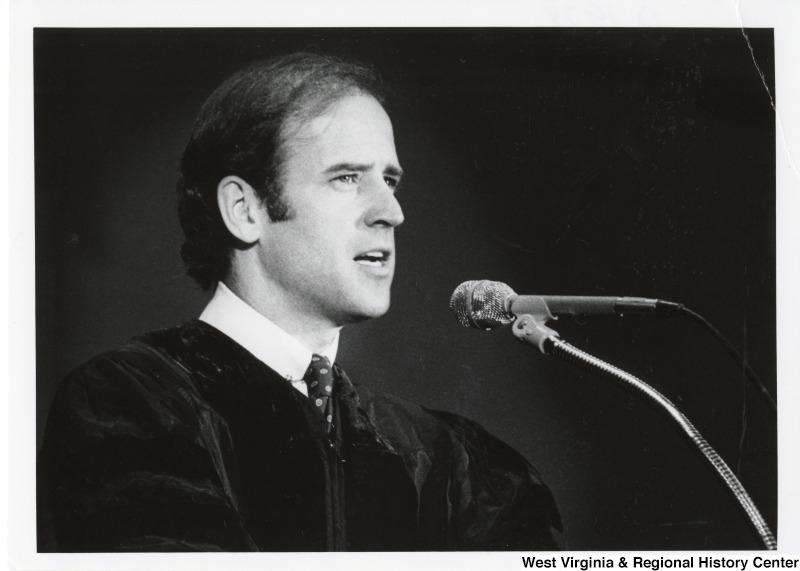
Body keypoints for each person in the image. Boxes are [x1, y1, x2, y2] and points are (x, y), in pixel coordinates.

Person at [37, 52, 565, 552]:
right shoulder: (131, 404)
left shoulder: (441, 456)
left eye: (390, 180)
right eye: (347, 178)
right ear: (245, 211)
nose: (392, 212)